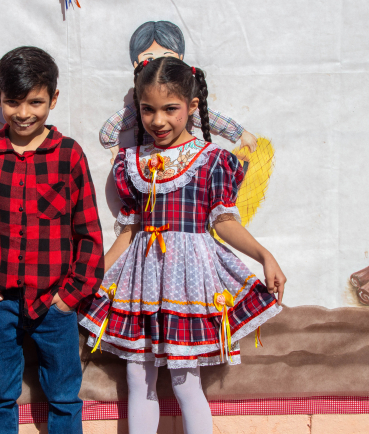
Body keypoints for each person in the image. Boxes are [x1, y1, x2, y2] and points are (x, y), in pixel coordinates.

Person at [78, 56, 286, 434]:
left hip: (187, 284)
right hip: (140, 285)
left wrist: (265, 256)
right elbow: (128, 231)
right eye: (148, 109)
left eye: (170, 109)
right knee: (137, 378)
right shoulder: (131, 162)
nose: (158, 120)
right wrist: (94, 276)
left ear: (191, 106)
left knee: (185, 382)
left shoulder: (211, 160)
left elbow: (224, 221)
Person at [0, 46, 104, 434]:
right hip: (0, 302)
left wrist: (70, 297)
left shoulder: (69, 155)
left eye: (35, 102)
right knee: (0, 393)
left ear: (53, 98)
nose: (23, 113)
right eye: (12, 102)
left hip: (55, 303)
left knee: (65, 395)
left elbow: (88, 233)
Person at [100, 20, 258, 164]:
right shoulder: (138, 113)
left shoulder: (200, 161)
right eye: (150, 59)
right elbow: (110, 127)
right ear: (136, 64)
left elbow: (213, 119)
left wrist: (240, 133)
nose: (158, 121)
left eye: (170, 109)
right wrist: (115, 152)